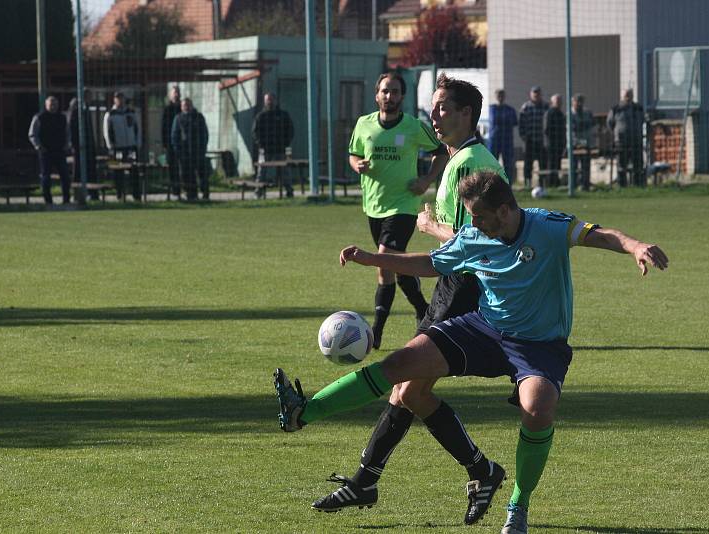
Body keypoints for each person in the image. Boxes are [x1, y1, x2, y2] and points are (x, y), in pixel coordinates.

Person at [275, 170, 669, 533]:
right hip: (484, 329)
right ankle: (302, 413)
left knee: (538, 409)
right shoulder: (475, 234)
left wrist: (635, 246)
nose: (472, 225)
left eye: (478, 217)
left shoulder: (547, 225)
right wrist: (371, 258)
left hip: (538, 345)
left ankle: (518, 506)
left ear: (504, 210)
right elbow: (432, 263)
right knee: (399, 366)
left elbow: (599, 235)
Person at [311, 73, 509, 526]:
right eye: (433, 107)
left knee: (408, 387)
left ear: (465, 114)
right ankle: (469, 472)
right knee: (409, 390)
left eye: (442, 108)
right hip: (452, 287)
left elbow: (479, 241)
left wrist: (431, 227)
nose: (434, 115)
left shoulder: (474, 163)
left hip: (463, 291)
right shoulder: (460, 158)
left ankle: (470, 472)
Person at [347, 71, 447, 349]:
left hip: (403, 205)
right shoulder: (364, 124)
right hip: (373, 205)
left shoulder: (414, 126)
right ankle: (423, 309)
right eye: (384, 91)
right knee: (396, 265)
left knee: (383, 260)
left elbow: (441, 151)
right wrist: (357, 165)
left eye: (394, 92)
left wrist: (426, 179)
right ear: (376, 95)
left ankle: (376, 332)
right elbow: (353, 153)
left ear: (402, 96)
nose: (389, 96)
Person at [28, 95, 71, 205]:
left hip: (59, 150)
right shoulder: (39, 117)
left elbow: (67, 133)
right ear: (46, 105)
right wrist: (38, 146)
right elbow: (32, 134)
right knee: (46, 177)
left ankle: (66, 199)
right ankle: (48, 201)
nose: (54, 106)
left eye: (55, 104)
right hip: (46, 151)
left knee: (65, 176)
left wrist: (67, 144)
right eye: (51, 104)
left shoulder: (62, 117)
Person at [252, 93, 295, 197]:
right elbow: (255, 132)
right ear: (265, 101)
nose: (269, 102)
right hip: (265, 149)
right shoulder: (261, 116)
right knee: (261, 170)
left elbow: (290, 130)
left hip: (281, 148)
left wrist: (286, 143)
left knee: (286, 170)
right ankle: (258, 192)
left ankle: (289, 191)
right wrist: (260, 144)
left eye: (271, 99)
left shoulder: (283, 115)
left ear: (275, 101)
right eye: (267, 100)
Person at [103, 91, 141, 201]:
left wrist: (137, 143)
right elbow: (106, 132)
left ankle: (136, 195)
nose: (120, 100)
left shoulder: (131, 112)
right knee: (117, 170)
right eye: (118, 98)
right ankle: (120, 194)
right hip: (117, 148)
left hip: (130, 147)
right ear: (114, 100)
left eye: (122, 98)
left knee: (134, 169)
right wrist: (110, 146)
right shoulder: (110, 114)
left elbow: (137, 128)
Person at [171, 97, 210, 201]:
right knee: (187, 175)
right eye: (184, 105)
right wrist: (178, 151)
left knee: (202, 174)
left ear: (192, 105)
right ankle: (191, 194)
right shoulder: (178, 118)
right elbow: (174, 136)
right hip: (185, 153)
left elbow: (204, 133)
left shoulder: (199, 117)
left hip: (198, 151)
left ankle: (205, 194)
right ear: (181, 107)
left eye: (188, 105)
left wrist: (203, 147)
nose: (186, 107)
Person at [607, 88, 645, 187]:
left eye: (630, 95)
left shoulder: (638, 108)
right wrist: (618, 132)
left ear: (633, 96)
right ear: (622, 96)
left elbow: (643, 120)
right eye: (626, 95)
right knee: (621, 165)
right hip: (621, 142)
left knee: (638, 165)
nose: (628, 97)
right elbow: (610, 123)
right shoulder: (615, 109)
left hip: (636, 140)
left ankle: (638, 185)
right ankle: (622, 185)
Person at [67, 93, 99, 201]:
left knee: (91, 170)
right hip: (78, 146)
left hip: (89, 146)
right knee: (78, 171)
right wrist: (73, 144)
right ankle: (77, 195)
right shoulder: (75, 108)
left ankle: (93, 194)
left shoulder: (86, 109)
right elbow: (71, 127)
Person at [518, 86, 548, 189]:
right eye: (534, 93)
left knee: (543, 163)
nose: (536, 95)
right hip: (529, 141)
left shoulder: (545, 106)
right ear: (531, 94)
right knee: (528, 164)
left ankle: (542, 184)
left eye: (538, 93)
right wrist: (523, 137)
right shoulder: (525, 107)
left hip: (542, 140)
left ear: (540, 94)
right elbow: (521, 124)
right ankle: (528, 184)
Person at [488, 89, 518, 182]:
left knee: (508, 164)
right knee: (492, 163)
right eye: (498, 95)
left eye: (502, 95)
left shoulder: (510, 110)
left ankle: (508, 184)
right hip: (494, 140)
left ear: (504, 97)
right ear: (495, 96)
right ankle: (491, 183)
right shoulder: (491, 109)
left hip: (507, 140)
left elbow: (515, 122)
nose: (500, 97)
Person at [570, 93, 595, 191]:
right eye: (577, 101)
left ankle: (585, 185)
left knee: (585, 166)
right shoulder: (570, 114)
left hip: (586, 142)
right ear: (573, 102)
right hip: (574, 144)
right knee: (574, 167)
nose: (579, 104)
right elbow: (573, 128)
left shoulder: (587, 113)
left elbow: (592, 123)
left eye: (580, 101)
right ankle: (573, 186)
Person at [161, 86, 182, 198]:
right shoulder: (167, 109)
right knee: (172, 168)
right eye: (174, 92)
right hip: (170, 144)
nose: (176, 94)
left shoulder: (183, 108)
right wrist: (165, 144)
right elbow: (163, 128)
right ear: (170, 95)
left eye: (177, 92)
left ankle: (188, 191)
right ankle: (175, 191)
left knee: (184, 168)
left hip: (182, 145)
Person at [543, 94, 566, 188]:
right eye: (557, 101)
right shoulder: (549, 113)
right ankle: (550, 183)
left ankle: (556, 183)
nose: (559, 102)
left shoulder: (561, 113)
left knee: (557, 163)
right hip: (551, 144)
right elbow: (546, 129)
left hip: (559, 144)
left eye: (560, 101)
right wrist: (552, 140)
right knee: (551, 163)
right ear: (552, 102)